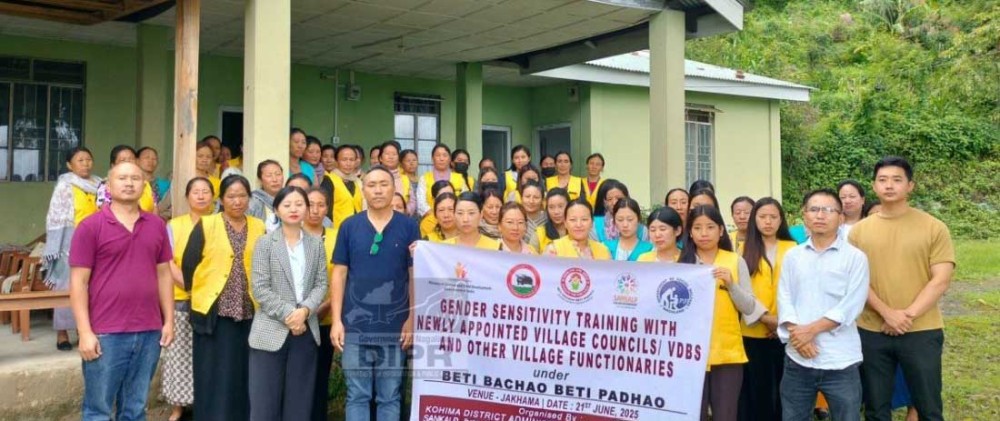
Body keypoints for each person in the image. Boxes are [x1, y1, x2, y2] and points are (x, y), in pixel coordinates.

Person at [848, 156, 954, 421]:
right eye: (882, 180)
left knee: (928, 405)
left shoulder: (933, 227)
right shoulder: (859, 232)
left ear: (910, 186)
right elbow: (856, 281)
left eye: (897, 180)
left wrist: (905, 315)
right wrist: (887, 314)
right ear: (874, 186)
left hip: (922, 330)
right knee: (875, 407)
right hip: (872, 330)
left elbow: (940, 279)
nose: (889, 186)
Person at [69, 162, 174, 421]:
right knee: (98, 410)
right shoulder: (90, 227)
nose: (129, 183)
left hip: (149, 331)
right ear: (108, 185)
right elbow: (78, 283)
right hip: (105, 332)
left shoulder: (156, 225)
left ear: (145, 185)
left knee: (136, 408)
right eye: (122, 178)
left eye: (136, 178)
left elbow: (164, 274)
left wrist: (169, 321)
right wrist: (84, 332)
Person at [329, 166, 420, 421]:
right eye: (371, 185)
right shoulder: (349, 226)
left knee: (389, 397)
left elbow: (414, 274)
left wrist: (411, 319)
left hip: (394, 327)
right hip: (355, 327)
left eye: (383, 184)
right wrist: (336, 320)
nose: (378, 190)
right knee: (357, 396)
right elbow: (339, 274)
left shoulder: (409, 226)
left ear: (394, 188)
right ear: (363, 189)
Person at [777, 188, 870, 421]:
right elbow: (784, 297)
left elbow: (852, 305)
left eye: (828, 210)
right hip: (797, 358)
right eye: (814, 209)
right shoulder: (793, 256)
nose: (820, 215)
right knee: (793, 417)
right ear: (804, 215)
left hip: (840, 360)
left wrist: (809, 331)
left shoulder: (855, 258)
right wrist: (797, 337)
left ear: (840, 218)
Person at [183, 175, 266, 421]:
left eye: (242, 196)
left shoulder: (259, 226)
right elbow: (189, 264)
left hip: (250, 311)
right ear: (221, 199)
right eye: (231, 196)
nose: (237, 201)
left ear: (249, 198)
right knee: (213, 372)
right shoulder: (207, 225)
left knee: (244, 372)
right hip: (215, 313)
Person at [248, 186, 328, 421]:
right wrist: (290, 315)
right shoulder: (264, 243)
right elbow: (260, 288)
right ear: (276, 209)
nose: (294, 209)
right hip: (270, 331)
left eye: (299, 204)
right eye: (287, 205)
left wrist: (304, 311)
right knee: (264, 405)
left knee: (300, 404)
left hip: (305, 332)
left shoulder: (316, 244)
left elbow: (321, 283)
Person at [679, 205, 765, 421]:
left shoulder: (735, 261)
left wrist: (731, 285)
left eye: (710, 227)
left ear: (720, 230)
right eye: (697, 228)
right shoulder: (682, 264)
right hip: (688, 353)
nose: (704, 233)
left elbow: (749, 307)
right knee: (690, 414)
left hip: (726, 352)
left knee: (725, 414)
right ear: (690, 232)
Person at [737, 197, 797, 421]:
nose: (768, 222)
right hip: (752, 330)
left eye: (773, 217)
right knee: (757, 391)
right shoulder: (742, 250)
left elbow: (799, 289)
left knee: (785, 390)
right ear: (755, 220)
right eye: (762, 217)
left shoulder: (793, 249)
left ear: (781, 220)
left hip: (787, 330)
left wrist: (781, 321)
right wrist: (765, 318)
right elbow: (741, 291)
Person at [161, 177, 214, 421]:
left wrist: (203, 289)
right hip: (182, 298)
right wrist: (190, 286)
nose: (201, 196)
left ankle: (207, 403)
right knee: (179, 356)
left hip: (212, 300)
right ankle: (178, 408)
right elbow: (167, 261)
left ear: (214, 196)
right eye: (196, 192)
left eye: (206, 191)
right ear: (187, 197)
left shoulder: (219, 223)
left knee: (209, 357)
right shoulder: (174, 225)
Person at [43, 146, 102, 351]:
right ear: (69, 165)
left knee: (93, 286)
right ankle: (62, 333)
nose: (85, 163)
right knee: (67, 286)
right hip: (70, 242)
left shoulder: (100, 184)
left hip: (97, 240)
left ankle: (83, 328)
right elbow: (55, 216)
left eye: (88, 159)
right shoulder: (65, 185)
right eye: (80, 160)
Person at [303, 187, 338, 421]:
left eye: (321, 205)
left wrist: (325, 306)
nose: (315, 210)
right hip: (295, 320)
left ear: (327, 208)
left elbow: (342, 276)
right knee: (298, 377)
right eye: (310, 204)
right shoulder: (290, 235)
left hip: (326, 318)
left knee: (320, 375)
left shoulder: (336, 236)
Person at [544, 198, 611, 260]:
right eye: (573, 220)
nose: (578, 225)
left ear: (592, 223)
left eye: (584, 219)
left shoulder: (603, 251)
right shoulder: (554, 249)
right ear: (565, 223)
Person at [96, 145, 156, 213]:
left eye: (131, 159)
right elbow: (105, 211)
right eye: (123, 160)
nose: (128, 162)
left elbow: (155, 208)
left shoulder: (145, 183)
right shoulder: (106, 184)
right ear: (113, 165)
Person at [416, 144, 468, 216]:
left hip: (455, 219)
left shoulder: (459, 178)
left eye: (445, 155)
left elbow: (465, 200)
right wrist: (436, 215)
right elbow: (421, 202)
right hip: (431, 219)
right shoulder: (424, 178)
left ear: (450, 159)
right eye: (438, 155)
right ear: (432, 158)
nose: (441, 158)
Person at [321, 145, 364, 229]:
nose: (348, 163)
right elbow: (325, 210)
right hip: (337, 232)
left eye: (351, 160)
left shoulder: (357, 182)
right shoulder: (329, 180)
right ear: (336, 162)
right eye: (344, 159)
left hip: (357, 229)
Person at [248, 160, 286, 233]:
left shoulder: (289, 199)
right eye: (269, 175)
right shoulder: (252, 202)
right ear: (260, 180)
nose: (275, 179)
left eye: (278, 174)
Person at [137, 146, 171, 219]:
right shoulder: (132, 184)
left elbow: (170, 208)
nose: (150, 161)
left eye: (154, 159)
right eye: (147, 157)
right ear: (137, 161)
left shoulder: (165, 184)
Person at [536, 188, 569, 252]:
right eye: (551, 207)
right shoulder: (539, 233)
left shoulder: (577, 231)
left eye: (560, 206)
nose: (556, 212)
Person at [520, 180, 546, 249]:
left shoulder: (548, 219)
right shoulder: (515, 218)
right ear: (521, 198)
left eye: (536, 197)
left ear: (542, 200)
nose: (531, 201)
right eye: (527, 196)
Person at [399, 149, 420, 215]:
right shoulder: (400, 179)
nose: (411, 163)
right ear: (401, 163)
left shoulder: (422, 179)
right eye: (408, 161)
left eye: (414, 160)